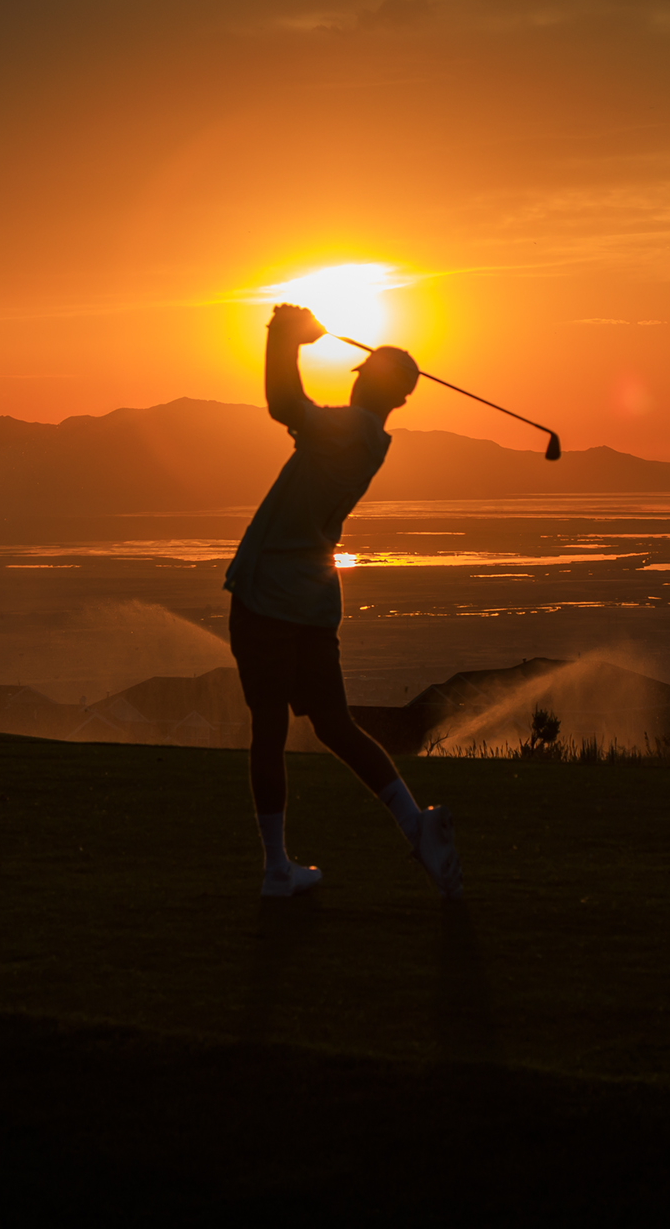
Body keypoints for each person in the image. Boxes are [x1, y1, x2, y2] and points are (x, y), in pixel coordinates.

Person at [224, 303, 462, 900]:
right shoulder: (371, 439)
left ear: (365, 381)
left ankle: (277, 868)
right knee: (334, 724)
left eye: (364, 373)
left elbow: (284, 403)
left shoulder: (351, 432)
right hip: (310, 599)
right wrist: (289, 340)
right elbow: (295, 409)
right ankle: (416, 824)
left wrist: (284, 336)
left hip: (269, 596)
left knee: (269, 730)